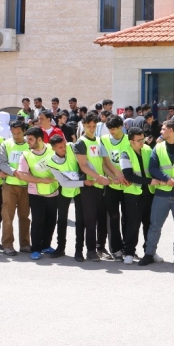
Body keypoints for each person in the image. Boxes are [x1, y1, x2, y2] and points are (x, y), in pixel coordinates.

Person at [139, 118, 174, 266]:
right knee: (155, 226)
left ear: (171, 130)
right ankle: (149, 254)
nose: (160, 132)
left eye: (163, 129)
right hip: (162, 193)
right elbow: (152, 168)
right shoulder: (158, 147)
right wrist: (166, 178)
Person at [13, 126, 60, 260]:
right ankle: (36, 249)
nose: (27, 142)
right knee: (37, 221)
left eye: (30, 139)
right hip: (35, 193)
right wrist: (41, 180)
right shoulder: (26, 155)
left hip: (53, 191)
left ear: (39, 139)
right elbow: (22, 175)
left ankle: (46, 245)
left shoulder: (52, 149)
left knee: (51, 220)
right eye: (27, 139)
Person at [74, 111, 113, 261]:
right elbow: (83, 166)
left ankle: (100, 247)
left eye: (94, 126)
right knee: (89, 220)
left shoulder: (98, 140)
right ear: (83, 125)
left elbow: (103, 163)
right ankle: (90, 251)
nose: (91, 128)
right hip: (88, 186)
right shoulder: (81, 143)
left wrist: (113, 177)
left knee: (101, 219)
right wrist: (99, 177)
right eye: (88, 126)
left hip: (100, 186)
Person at [114, 127, 153, 263]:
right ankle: (129, 252)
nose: (142, 142)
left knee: (149, 224)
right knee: (133, 225)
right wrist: (150, 181)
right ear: (131, 141)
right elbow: (129, 175)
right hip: (133, 195)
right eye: (139, 140)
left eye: (143, 139)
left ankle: (150, 251)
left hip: (149, 193)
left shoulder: (148, 149)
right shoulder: (125, 153)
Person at [45, 133, 86, 259]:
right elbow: (64, 182)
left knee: (80, 221)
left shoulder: (71, 147)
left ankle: (79, 251)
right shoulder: (51, 162)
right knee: (62, 220)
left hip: (80, 191)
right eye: (60, 147)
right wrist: (83, 182)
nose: (64, 148)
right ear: (53, 148)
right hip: (65, 191)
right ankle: (60, 248)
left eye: (64, 145)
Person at [99, 115, 130, 260]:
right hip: (112, 183)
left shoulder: (128, 140)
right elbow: (105, 163)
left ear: (121, 127)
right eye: (110, 129)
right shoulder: (104, 140)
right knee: (113, 217)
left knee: (127, 217)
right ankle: (115, 249)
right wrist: (114, 178)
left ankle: (127, 247)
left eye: (115, 129)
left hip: (127, 183)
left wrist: (123, 177)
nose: (112, 132)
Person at [0, 120, 32, 256]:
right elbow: (2, 163)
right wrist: (14, 172)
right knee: (7, 216)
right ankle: (7, 245)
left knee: (25, 216)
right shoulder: (6, 144)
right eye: (13, 133)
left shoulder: (30, 145)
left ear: (24, 131)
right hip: (10, 185)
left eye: (19, 133)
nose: (16, 136)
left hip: (25, 186)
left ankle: (25, 244)